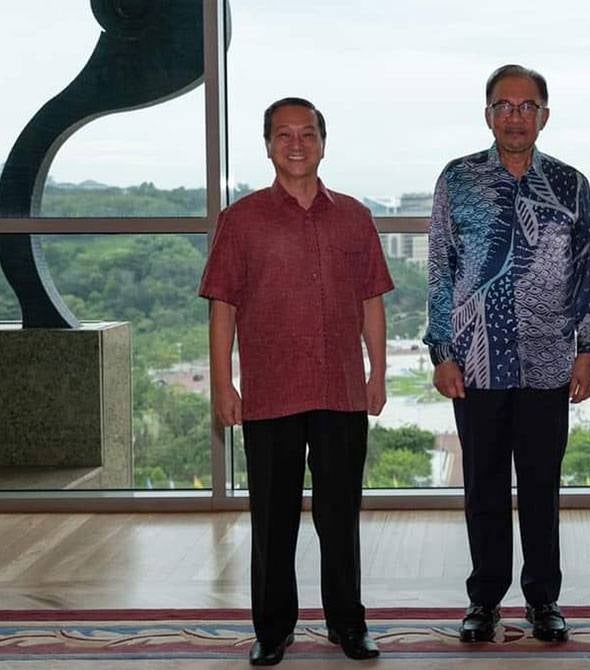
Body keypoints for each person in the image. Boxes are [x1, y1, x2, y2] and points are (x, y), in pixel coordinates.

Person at [199, 97, 393, 665]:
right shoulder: (242, 220)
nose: (296, 144)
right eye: (283, 135)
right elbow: (223, 309)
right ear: (267, 146)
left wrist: (377, 371)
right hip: (270, 393)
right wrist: (222, 384)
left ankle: (348, 624)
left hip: (340, 390)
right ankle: (273, 629)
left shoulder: (355, 215)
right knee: (272, 521)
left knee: (340, 519)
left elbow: (371, 302)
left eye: (307, 134)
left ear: (323, 142)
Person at [423, 64, 590, 644]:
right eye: (504, 105)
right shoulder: (458, 179)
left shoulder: (572, 184)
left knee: (542, 487)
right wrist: (441, 352)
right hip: (476, 363)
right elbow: (440, 271)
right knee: (484, 488)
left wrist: (587, 349)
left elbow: (584, 272)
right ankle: (485, 601)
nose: (515, 115)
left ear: (544, 115)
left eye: (527, 106)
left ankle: (543, 600)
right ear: (488, 114)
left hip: (550, 359)